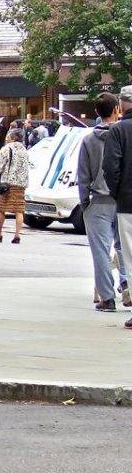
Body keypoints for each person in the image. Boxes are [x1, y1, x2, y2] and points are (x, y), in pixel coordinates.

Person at [78, 92, 125, 311]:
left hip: (98, 199)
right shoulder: (124, 134)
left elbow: (83, 175)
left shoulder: (88, 139)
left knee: (101, 251)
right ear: (117, 109)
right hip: (123, 198)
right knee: (125, 248)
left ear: (96, 112)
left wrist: (84, 203)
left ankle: (107, 298)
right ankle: (127, 286)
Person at [101, 85, 132, 329]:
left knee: (129, 256)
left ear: (120, 105)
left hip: (128, 202)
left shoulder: (119, 131)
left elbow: (110, 168)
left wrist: (117, 191)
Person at [0, 126, 30, 244]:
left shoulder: (6, 149)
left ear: (12, 138)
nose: (6, 138)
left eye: (8, 136)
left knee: (2, 209)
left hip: (7, 184)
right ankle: (17, 235)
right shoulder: (24, 150)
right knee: (19, 210)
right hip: (21, 184)